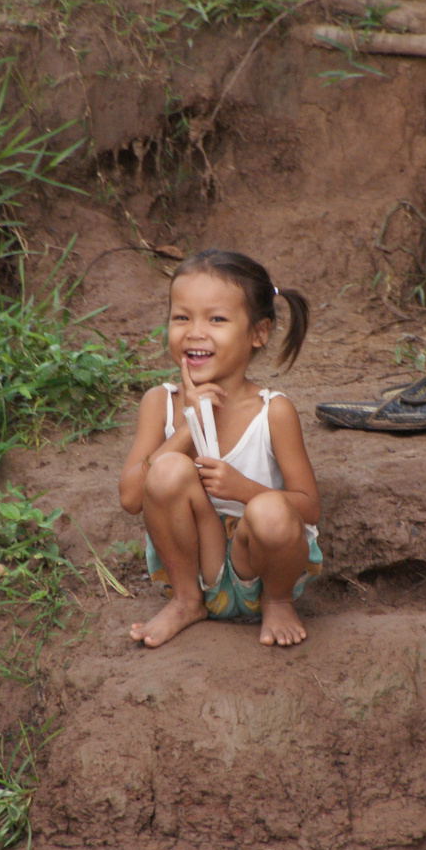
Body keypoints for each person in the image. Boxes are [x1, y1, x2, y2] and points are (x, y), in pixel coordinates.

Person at [118, 250, 322, 648]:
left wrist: (241, 488)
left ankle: (278, 602)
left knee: (270, 509)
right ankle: (185, 601)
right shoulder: (160, 403)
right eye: (182, 317)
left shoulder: (272, 412)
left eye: (216, 319)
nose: (195, 332)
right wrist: (187, 425)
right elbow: (131, 496)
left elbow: (308, 506)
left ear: (258, 333)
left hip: (261, 562)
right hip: (197, 562)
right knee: (166, 470)